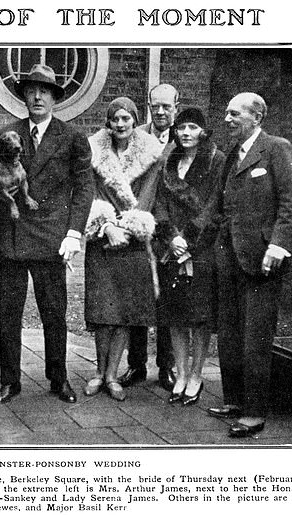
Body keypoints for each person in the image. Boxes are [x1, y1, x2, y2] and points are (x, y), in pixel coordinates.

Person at [0, 64, 94, 405]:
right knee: (10, 314)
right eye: (31, 90)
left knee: (53, 313)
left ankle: (58, 378)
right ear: (23, 95)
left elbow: (84, 187)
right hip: (13, 237)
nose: (37, 96)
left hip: (51, 237)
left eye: (44, 91)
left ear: (54, 98)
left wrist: (74, 232)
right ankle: (9, 381)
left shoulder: (72, 137)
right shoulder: (5, 135)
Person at [205, 92, 292, 437]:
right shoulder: (231, 154)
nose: (227, 119)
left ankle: (254, 411)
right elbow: (218, 207)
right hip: (230, 258)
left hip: (263, 261)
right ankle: (234, 401)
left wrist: (278, 246)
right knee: (231, 335)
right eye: (226, 113)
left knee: (255, 338)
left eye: (235, 114)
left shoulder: (277, 148)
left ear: (257, 117)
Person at [82, 97, 164, 401]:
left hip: (133, 241)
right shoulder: (94, 154)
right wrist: (106, 226)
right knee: (103, 312)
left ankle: (114, 374)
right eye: (115, 119)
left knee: (124, 312)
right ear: (108, 122)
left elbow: (148, 196)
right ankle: (98, 373)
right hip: (103, 239)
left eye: (126, 119)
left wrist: (130, 226)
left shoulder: (151, 155)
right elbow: (89, 194)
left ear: (134, 121)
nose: (120, 125)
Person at [154, 106, 226, 405]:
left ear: (203, 132)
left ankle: (196, 376)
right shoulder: (169, 161)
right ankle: (180, 374)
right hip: (173, 249)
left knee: (199, 318)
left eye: (193, 128)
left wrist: (190, 238)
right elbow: (159, 202)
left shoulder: (215, 160)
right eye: (182, 127)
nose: (186, 133)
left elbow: (215, 203)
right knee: (175, 315)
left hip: (202, 248)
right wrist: (171, 236)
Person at [119, 83, 179, 391]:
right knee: (137, 295)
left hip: (167, 230)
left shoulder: (183, 139)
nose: (160, 111)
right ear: (148, 107)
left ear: (175, 107)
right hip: (138, 223)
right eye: (155, 105)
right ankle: (136, 364)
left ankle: (166, 366)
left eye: (166, 106)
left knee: (166, 299)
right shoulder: (135, 136)